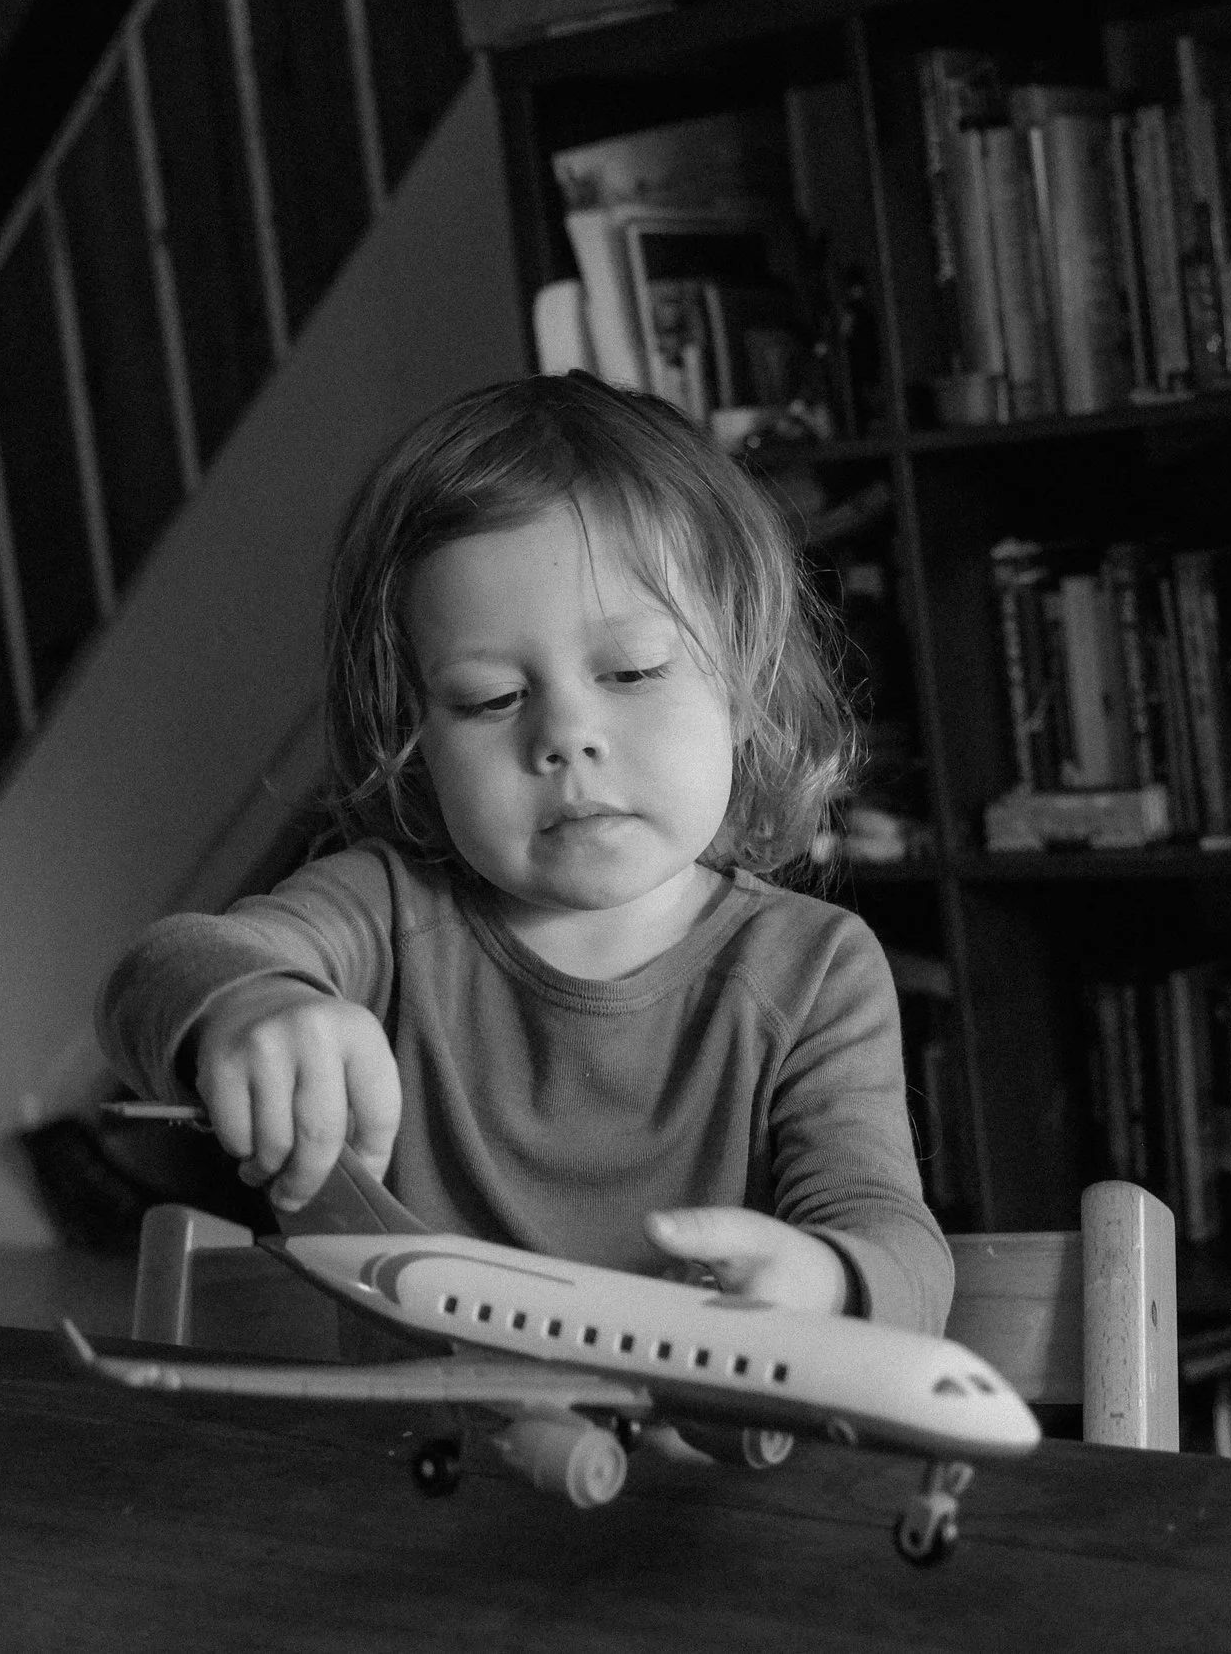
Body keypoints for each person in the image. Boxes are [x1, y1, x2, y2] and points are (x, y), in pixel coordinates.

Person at [96, 372, 951, 1333]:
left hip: (708, 1475)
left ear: (745, 685)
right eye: (491, 699)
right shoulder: (383, 911)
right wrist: (253, 1002)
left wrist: (830, 1279)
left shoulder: (814, 968)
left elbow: (899, 1246)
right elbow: (154, 974)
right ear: (412, 731)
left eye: (630, 670)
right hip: (419, 1471)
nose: (565, 737)